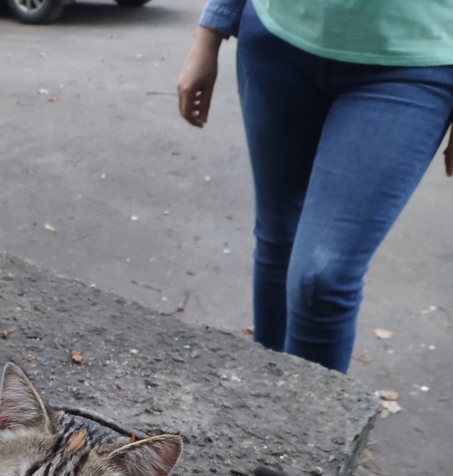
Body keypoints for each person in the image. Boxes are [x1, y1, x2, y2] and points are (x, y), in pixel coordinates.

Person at [178, 0, 453, 373]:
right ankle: (265, 396)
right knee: (278, 241)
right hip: (277, 38)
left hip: (416, 62)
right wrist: (209, 32)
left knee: (323, 279)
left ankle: (307, 411)